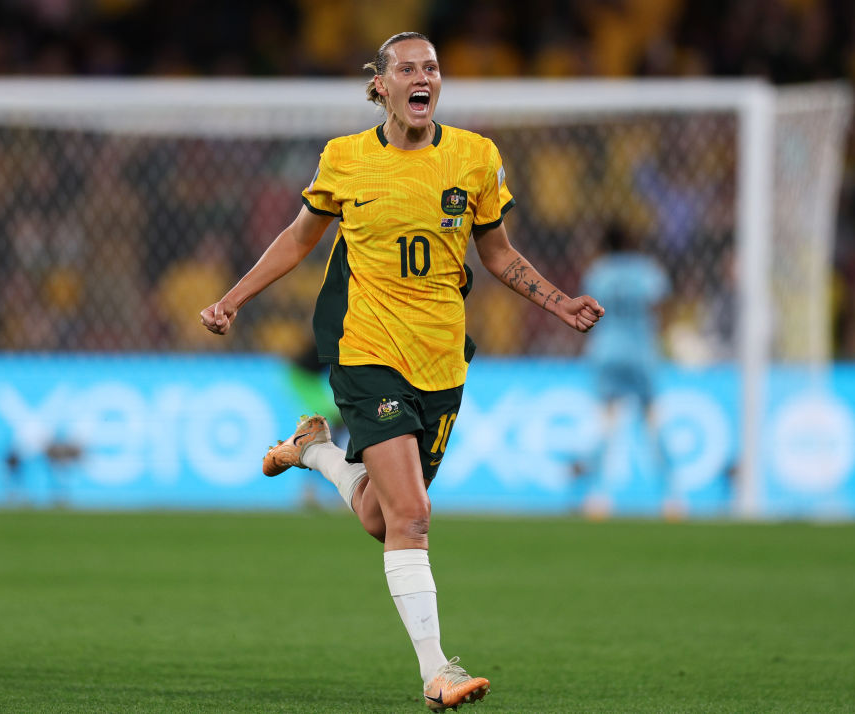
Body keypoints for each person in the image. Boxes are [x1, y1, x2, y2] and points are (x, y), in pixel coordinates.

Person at [200, 32, 604, 711]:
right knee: (413, 517)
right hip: (367, 352)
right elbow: (300, 238)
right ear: (381, 86)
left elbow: (498, 255)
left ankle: (317, 451)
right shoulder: (346, 159)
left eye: (433, 68)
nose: (423, 78)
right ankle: (436, 672)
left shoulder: (476, 158)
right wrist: (233, 299)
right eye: (408, 69)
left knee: (383, 520)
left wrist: (560, 302)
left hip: (442, 359)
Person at [577, 223, 672, 517]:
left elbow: (588, 308)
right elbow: (661, 305)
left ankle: (598, 496)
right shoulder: (647, 270)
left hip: (606, 350)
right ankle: (671, 497)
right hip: (641, 351)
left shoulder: (598, 272)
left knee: (606, 423)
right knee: (653, 421)